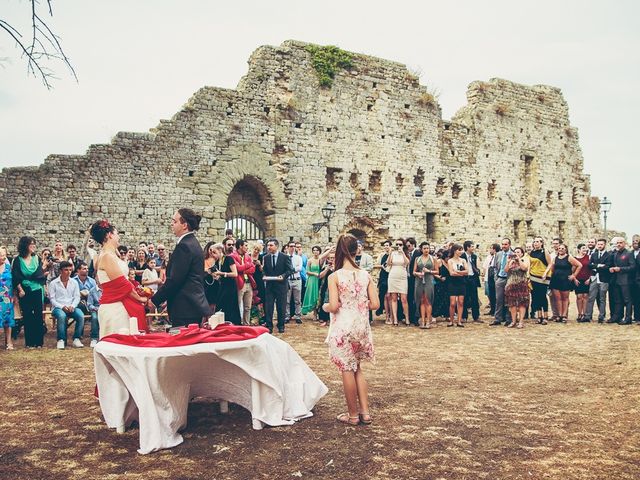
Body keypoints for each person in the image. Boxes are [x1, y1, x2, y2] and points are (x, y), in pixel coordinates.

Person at [323, 233, 378, 426]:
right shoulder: (366, 275)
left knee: (347, 368)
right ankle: (365, 412)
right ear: (356, 250)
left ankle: (353, 416)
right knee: (358, 368)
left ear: (339, 251)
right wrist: (359, 303)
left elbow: (334, 306)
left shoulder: (334, 276)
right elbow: (376, 304)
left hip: (343, 328)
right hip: (361, 326)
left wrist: (325, 307)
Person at [151, 209, 211, 327]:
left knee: (185, 343)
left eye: (174, 221)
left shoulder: (184, 246)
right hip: (190, 305)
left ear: (184, 225)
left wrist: (154, 300)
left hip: (186, 308)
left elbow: (174, 280)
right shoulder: (193, 242)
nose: (171, 224)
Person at [91, 220, 148, 336]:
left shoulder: (110, 255)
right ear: (109, 235)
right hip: (116, 307)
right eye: (116, 234)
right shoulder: (107, 256)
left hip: (120, 303)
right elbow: (122, 284)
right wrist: (140, 299)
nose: (118, 237)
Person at [12, 236, 46, 348]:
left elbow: (40, 274)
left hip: (37, 289)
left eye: (34, 244)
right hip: (25, 290)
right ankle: (30, 342)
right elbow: (16, 276)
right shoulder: (18, 260)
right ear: (24, 245)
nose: (33, 246)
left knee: (37, 315)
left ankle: (39, 342)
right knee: (27, 315)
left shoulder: (37, 258)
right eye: (31, 244)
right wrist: (20, 290)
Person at [49, 260, 85, 349]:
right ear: (60, 271)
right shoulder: (53, 283)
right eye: (66, 270)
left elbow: (77, 297)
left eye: (70, 270)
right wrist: (62, 307)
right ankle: (61, 340)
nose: (68, 272)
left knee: (80, 315)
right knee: (61, 316)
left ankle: (76, 338)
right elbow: (52, 299)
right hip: (58, 307)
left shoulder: (74, 282)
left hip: (71, 306)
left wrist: (72, 306)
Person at [262, 238, 293, 333]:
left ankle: (281, 325)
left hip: (281, 285)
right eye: (268, 245)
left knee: (281, 306)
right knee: (269, 306)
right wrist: (264, 275)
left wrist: (283, 276)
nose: (268, 247)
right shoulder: (266, 257)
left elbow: (290, 270)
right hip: (270, 285)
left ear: (276, 246)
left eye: (271, 245)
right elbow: (264, 269)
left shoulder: (284, 257)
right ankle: (269, 326)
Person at [549, 243, 582, 323]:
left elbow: (579, 265)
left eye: (562, 248)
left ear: (566, 249)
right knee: (558, 299)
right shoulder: (555, 258)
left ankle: (564, 315)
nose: (560, 250)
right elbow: (552, 268)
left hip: (565, 280)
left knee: (565, 298)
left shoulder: (569, 257)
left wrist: (574, 275)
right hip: (556, 280)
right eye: (559, 248)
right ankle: (559, 315)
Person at [213, 238, 241, 325]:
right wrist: (217, 276)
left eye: (215, 252)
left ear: (220, 251)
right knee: (220, 305)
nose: (213, 255)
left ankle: (232, 324)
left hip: (230, 286)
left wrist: (222, 273)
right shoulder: (218, 261)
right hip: (223, 286)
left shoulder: (229, 259)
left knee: (230, 306)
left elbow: (235, 273)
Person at [608, 237, 635, 325]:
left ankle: (628, 318)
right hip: (617, 280)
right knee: (618, 300)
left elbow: (632, 267)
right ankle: (618, 317)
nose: (619, 244)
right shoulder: (615, 254)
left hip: (626, 280)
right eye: (617, 243)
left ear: (624, 243)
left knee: (627, 300)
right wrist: (612, 269)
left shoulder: (629, 253)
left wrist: (620, 269)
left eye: (621, 243)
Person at [74, 262, 101, 347]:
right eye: (84, 268)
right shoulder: (73, 281)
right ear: (78, 270)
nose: (86, 270)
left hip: (91, 302)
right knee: (82, 307)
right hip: (79, 303)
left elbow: (95, 293)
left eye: (87, 269)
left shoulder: (92, 281)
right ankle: (88, 337)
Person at [585, 238, 612, 323]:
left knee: (602, 298)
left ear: (605, 245)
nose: (600, 246)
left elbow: (607, 266)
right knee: (591, 297)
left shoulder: (609, 255)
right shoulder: (594, 255)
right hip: (594, 278)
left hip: (604, 279)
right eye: (599, 244)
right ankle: (588, 316)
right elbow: (589, 265)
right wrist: (600, 265)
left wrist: (595, 266)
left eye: (601, 244)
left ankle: (601, 316)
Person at [231, 239, 256, 325]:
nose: (247, 247)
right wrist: (248, 265)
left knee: (248, 306)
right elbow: (238, 269)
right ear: (240, 246)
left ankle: (246, 324)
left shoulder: (247, 256)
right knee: (238, 305)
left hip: (248, 282)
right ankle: (238, 323)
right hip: (239, 283)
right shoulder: (232, 256)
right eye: (245, 245)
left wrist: (244, 270)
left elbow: (253, 269)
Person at [504, 247, 530, 328]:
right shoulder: (511, 261)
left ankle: (521, 321)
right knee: (512, 304)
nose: (516, 253)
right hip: (511, 285)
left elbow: (524, 268)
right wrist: (508, 262)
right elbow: (506, 270)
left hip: (521, 284)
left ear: (522, 253)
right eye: (515, 252)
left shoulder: (524, 260)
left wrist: (519, 260)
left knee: (522, 303)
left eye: (518, 252)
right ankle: (513, 321)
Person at [413, 241, 437, 328]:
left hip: (429, 280)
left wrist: (429, 271)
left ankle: (428, 321)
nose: (426, 250)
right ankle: (422, 321)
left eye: (427, 248)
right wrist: (418, 274)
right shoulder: (417, 259)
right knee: (421, 300)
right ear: (421, 249)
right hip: (419, 280)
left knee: (428, 300)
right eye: (424, 248)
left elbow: (437, 271)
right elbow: (413, 271)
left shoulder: (433, 259)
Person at [387, 238, 410, 326]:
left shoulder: (405, 254)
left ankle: (407, 318)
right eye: (397, 244)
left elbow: (407, 263)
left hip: (402, 277)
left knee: (404, 299)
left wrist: (402, 253)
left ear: (403, 245)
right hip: (393, 276)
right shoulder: (393, 253)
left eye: (400, 244)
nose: (398, 246)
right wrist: (390, 253)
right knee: (394, 298)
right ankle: (395, 319)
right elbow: (388, 263)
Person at [528, 237, 551, 324]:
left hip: (542, 277)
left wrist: (545, 272)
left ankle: (545, 316)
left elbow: (550, 263)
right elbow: (530, 264)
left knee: (542, 296)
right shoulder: (532, 252)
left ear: (541, 243)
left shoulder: (544, 251)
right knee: (536, 297)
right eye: (534, 242)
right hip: (533, 276)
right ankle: (539, 316)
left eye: (537, 242)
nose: (536, 243)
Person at [490, 238, 512, 326]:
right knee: (498, 299)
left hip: (509, 279)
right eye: (502, 244)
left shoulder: (512, 254)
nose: (503, 246)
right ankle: (498, 318)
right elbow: (495, 267)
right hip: (500, 278)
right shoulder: (498, 254)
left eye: (506, 244)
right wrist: (496, 278)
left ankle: (508, 318)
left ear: (509, 245)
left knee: (509, 299)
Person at [461, 240, 482, 323]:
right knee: (465, 298)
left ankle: (476, 316)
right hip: (465, 278)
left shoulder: (474, 256)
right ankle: (464, 316)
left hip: (473, 278)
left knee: (474, 298)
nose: (473, 248)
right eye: (472, 246)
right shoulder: (462, 256)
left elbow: (475, 266)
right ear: (467, 247)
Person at [447, 244, 468, 328]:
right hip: (453, 283)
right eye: (460, 250)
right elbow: (451, 273)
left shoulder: (463, 260)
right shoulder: (450, 261)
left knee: (461, 302)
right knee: (452, 303)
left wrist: (458, 272)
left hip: (461, 283)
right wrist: (461, 273)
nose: (461, 252)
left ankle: (459, 320)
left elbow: (467, 271)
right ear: (455, 251)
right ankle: (451, 320)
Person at [0, 246, 15, 350]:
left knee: (8, 319)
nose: (3, 257)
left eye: (4, 255)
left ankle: (9, 342)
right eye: (1, 255)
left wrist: (14, 295)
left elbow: (13, 281)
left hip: (7, 297)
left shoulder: (9, 267)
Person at [285, 241, 303, 324]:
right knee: (287, 299)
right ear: (288, 247)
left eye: (294, 246)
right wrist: (292, 270)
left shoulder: (298, 258)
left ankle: (298, 315)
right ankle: (287, 316)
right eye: (291, 246)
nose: (292, 248)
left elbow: (299, 268)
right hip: (288, 280)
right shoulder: (285, 257)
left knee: (297, 300)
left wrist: (291, 270)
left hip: (297, 280)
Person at [302, 245, 322, 319]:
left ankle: (317, 312)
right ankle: (314, 313)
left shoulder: (321, 259)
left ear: (319, 251)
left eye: (317, 250)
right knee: (312, 295)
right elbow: (307, 271)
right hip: (312, 279)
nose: (315, 251)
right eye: (314, 250)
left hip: (319, 279)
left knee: (318, 295)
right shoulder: (310, 260)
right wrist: (314, 273)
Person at [574, 244, 592, 322]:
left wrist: (589, 278)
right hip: (578, 279)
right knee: (579, 296)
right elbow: (572, 270)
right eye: (583, 248)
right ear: (578, 249)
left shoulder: (589, 257)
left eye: (586, 248)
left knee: (585, 296)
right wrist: (574, 279)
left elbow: (591, 269)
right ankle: (579, 313)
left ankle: (585, 314)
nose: (585, 249)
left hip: (586, 279)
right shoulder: (574, 258)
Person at [375, 240, 392, 322]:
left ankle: (391, 315)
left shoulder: (392, 255)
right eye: (385, 245)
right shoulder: (382, 255)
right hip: (383, 275)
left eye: (387, 245)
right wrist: (382, 266)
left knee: (389, 296)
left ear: (390, 246)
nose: (386, 247)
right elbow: (376, 265)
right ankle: (386, 315)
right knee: (384, 295)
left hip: (391, 275)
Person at [405, 237, 420, 325]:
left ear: (413, 245)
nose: (408, 247)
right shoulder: (405, 253)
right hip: (406, 278)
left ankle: (416, 317)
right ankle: (409, 317)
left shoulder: (417, 253)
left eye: (409, 246)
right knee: (409, 298)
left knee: (416, 298)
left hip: (415, 278)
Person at [203, 241, 220, 313]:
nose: (212, 252)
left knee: (213, 306)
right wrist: (207, 271)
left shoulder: (218, 261)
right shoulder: (203, 260)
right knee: (205, 306)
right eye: (210, 249)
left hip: (215, 285)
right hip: (205, 284)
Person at [482, 244, 498, 316]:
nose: (490, 250)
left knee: (495, 295)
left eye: (491, 248)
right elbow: (485, 267)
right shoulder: (488, 257)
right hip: (488, 278)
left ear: (495, 249)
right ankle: (492, 309)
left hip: (494, 278)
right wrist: (484, 276)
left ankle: (496, 310)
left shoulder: (497, 257)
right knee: (490, 294)